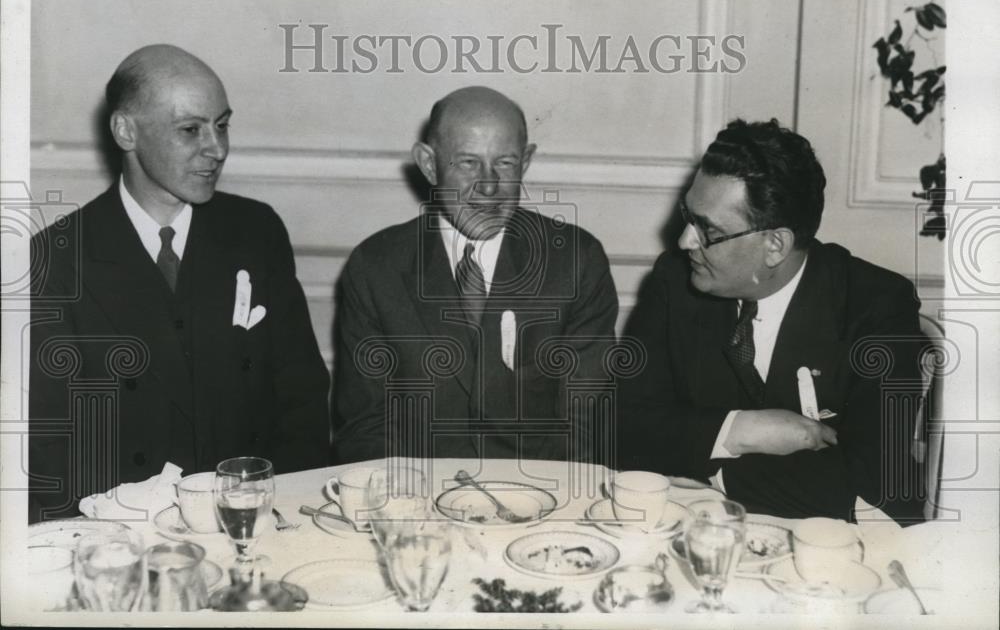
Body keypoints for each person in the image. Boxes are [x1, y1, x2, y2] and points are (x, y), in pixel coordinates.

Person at [29, 44, 330, 522]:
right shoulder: (55, 259)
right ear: (126, 130)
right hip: (122, 533)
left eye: (222, 124)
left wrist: (280, 510)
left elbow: (302, 399)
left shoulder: (257, 231)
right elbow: (47, 449)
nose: (217, 149)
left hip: (252, 516)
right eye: (190, 130)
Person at [618, 119, 927, 524]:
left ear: (775, 245)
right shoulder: (673, 282)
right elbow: (623, 429)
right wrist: (740, 431)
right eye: (687, 216)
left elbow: (875, 481)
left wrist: (710, 475)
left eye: (708, 230)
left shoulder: (877, 305)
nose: (684, 241)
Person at [333, 86, 619, 464]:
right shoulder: (376, 267)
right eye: (468, 163)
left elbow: (586, 428)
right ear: (429, 164)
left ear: (527, 162)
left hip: (540, 504)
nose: (488, 185)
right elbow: (366, 427)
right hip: (417, 508)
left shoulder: (577, 262)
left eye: (505, 163)